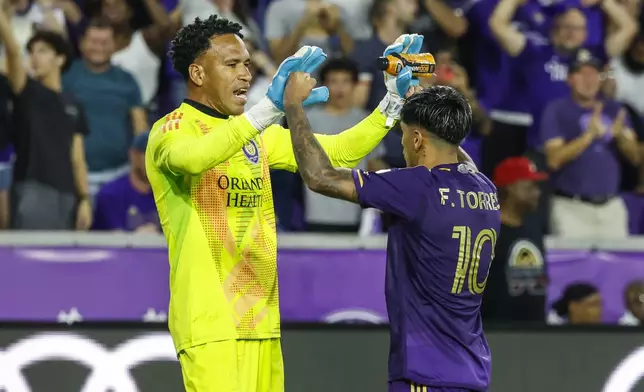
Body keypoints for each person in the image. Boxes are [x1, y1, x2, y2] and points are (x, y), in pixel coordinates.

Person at [145, 15, 418, 392]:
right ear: (197, 73)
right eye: (230, 65)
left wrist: (390, 106)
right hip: (211, 323)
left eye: (246, 64)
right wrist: (268, 111)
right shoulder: (170, 131)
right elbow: (194, 159)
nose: (244, 74)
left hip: (262, 322)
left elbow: (337, 152)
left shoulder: (258, 135)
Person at [282, 74, 500, 390]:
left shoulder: (415, 188)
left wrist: (293, 106)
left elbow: (320, 176)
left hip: (426, 372)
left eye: (402, 134)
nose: (400, 143)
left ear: (416, 139)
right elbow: (458, 158)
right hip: (471, 371)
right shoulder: (485, 189)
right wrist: (424, 105)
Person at [0, 6, 91, 230]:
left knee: (63, 265)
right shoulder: (26, 90)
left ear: (60, 59)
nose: (34, 57)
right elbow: (12, 51)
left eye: (42, 51)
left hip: (67, 194)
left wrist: (84, 200)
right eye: (31, 52)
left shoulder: (74, 104)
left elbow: (78, 159)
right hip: (31, 189)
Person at [482, 156, 548, 322]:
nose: (537, 193)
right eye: (530, 186)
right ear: (511, 187)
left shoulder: (534, 225)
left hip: (536, 331)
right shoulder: (486, 231)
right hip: (498, 331)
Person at [92, 132, 159, 232]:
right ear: (134, 155)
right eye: (150, 154)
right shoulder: (111, 194)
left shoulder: (167, 196)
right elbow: (114, 238)